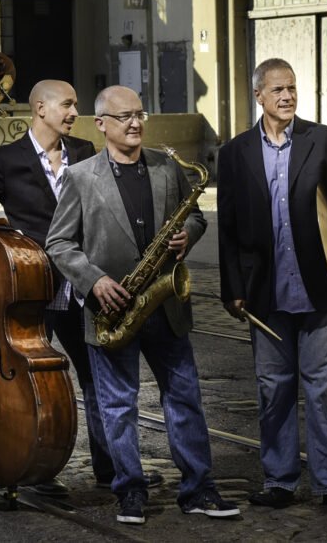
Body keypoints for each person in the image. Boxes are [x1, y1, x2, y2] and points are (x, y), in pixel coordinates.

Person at [46, 85, 239, 525]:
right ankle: (129, 491)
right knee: (117, 406)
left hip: (164, 305)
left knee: (185, 398)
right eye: (125, 116)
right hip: (112, 308)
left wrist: (187, 235)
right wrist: (94, 282)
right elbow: (58, 243)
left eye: (140, 114)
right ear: (101, 125)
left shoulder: (166, 166)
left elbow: (194, 215)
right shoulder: (80, 177)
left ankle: (198, 490)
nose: (136, 123)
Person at [0, 79, 115, 496]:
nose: (73, 112)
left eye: (75, 105)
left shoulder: (85, 153)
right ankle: (29, 461)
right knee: (22, 383)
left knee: (97, 378)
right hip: (31, 290)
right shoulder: (7, 160)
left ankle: (110, 470)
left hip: (81, 286)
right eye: (67, 104)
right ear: (40, 108)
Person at [217, 58, 327, 522]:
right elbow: (228, 228)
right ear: (259, 96)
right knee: (273, 389)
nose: (287, 96)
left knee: (325, 390)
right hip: (266, 293)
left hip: (321, 288)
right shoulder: (236, 152)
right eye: (277, 89)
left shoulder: (323, 140)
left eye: (292, 88)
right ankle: (280, 480)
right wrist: (233, 288)